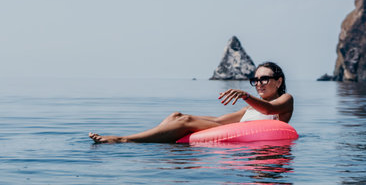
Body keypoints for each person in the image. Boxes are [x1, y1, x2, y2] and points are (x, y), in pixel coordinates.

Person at [89, 62, 293, 143]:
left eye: (264, 79)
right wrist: (186, 118)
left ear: (279, 81)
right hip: (236, 133)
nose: (258, 84)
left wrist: (245, 95)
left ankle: (124, 140)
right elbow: (221, 121)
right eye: (255, 80)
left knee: (185, 120)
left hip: (254, 142)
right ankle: (154, 143)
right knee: (177, 115)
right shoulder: (250, 108)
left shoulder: (286, 99)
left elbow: (269, 109)